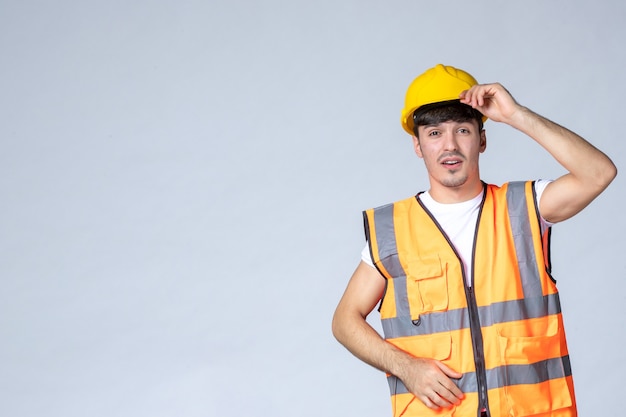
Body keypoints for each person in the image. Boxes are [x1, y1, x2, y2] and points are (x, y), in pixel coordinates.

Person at [331, 64, 617, 417]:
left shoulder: (524, 208)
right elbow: (345, 320)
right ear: (417, 145)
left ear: (482, 139)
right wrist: (407, 367)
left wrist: (516, 115)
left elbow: (599, 173)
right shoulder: (393, 228)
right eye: (434, 133)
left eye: (462, 130)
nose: (449, 145)